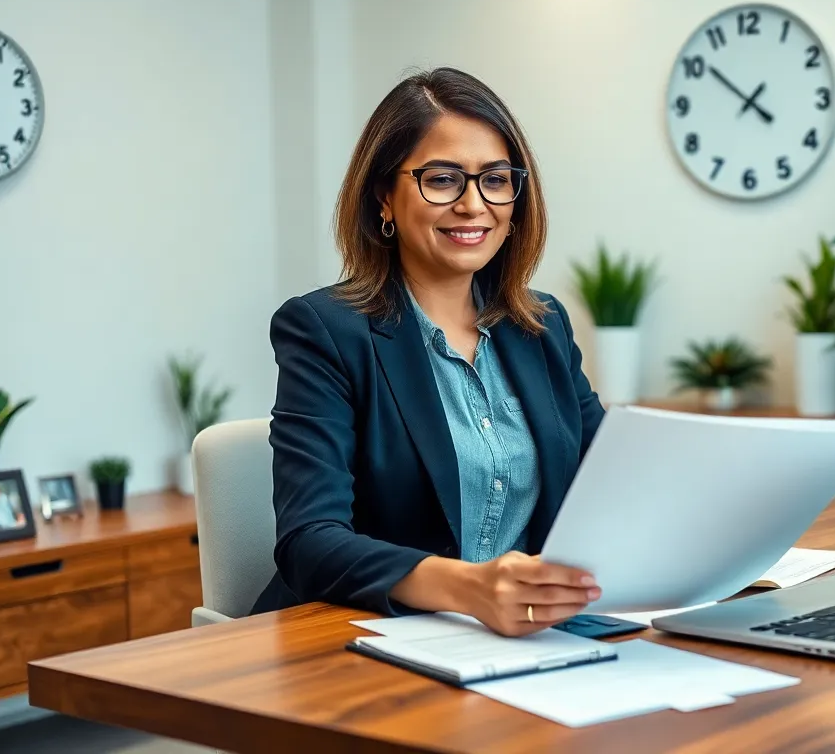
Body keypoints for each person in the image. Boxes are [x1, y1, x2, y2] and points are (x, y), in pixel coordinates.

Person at [250, 68, 607, 636]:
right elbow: (309, 542)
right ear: (383, 197)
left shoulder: (542, 326)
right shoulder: (324, 330)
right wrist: (472, 588)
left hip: (526, 641)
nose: (473, 205)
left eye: (495, 179)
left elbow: (607, 480)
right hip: (361, 640)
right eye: (442, 180)